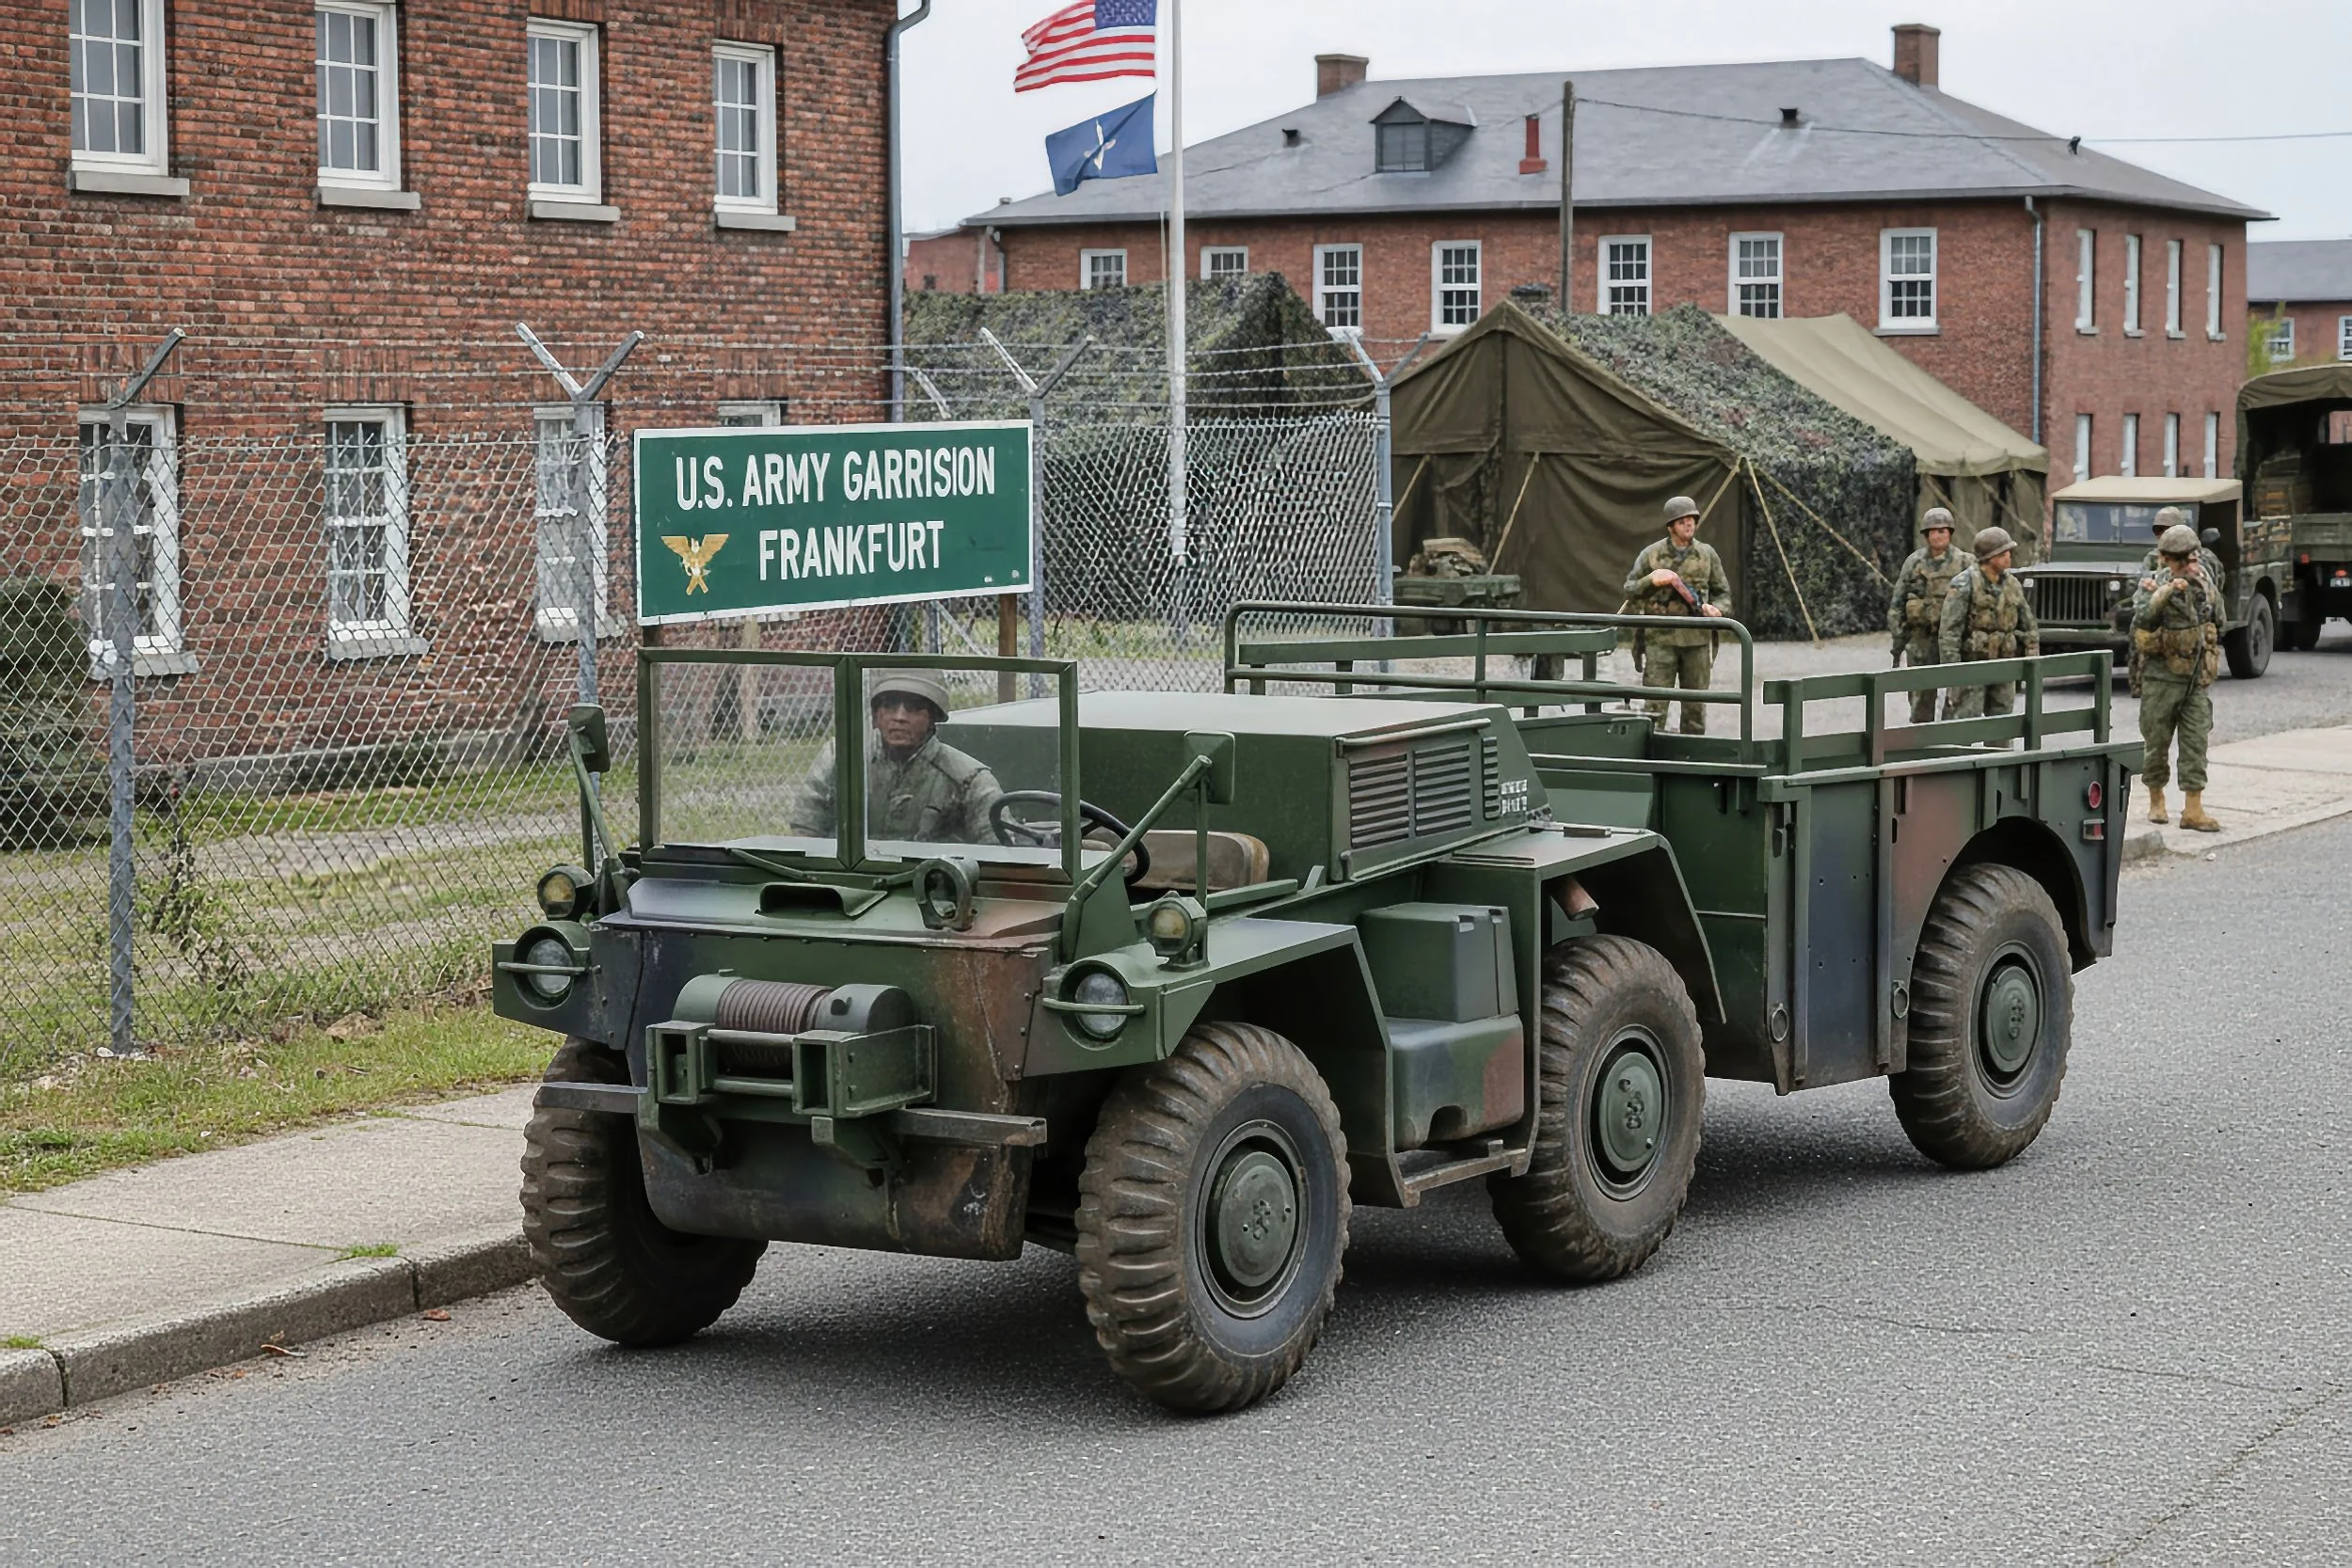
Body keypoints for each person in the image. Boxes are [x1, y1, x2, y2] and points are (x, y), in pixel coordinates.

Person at [790, 672, 1003, 844]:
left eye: (913, 708)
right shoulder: (841, 758)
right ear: (876, 716)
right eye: (889, 706)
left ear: (932, 719)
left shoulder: (967, 779)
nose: (900, 717)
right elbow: (805, 834)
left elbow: (997, 853)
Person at [2131, 523, 2223, 832]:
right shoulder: (2152, 585)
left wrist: (2204, 587)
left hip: (2196, 678)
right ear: (2167, 560)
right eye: (2181, 560)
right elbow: (2143, 619)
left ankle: (2193, 809)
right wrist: (2166, 591)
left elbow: (2219, 618)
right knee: (2156, 742)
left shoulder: (2204, 582)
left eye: (2192, 558)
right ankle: (2156, 800)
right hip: (2162, 678)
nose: (2188, 565)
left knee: (2196, 741)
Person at [1622, 494, 1732, 734]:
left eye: (1692, 520)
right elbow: (1630, 590)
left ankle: (1692, 754)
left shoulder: (1707, 554)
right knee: (1655, 708)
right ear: (1671, 526)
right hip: (1660, 641)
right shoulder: (1652, 554)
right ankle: (1652, 752)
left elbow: (1723, 593)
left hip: (1697, 641)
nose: (1689, 524)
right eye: (1682, 521)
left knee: (1695, 709)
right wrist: (1651, 580)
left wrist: (1718, 609)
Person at [1938, 524, 2040, 720]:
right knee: (1966, 719)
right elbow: (1949, 633)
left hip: (2004, 665)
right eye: (2002, 554)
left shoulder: (2012, 584)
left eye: (2008, 553)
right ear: (1988, 557)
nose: (2008, 557)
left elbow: (2028, 624)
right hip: (1972, 667)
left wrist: (2032, 657)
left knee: (2002, 720)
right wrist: (1952, 672)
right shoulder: (1964, 584)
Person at [1886, 506, 1967, 723]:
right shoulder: (1914, 562)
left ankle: (1952, 738)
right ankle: (1921, 737)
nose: (1937, 536)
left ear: (1950, 533)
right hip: (1921, 640)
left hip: (1954, 641)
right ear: (1926, 535)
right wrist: (1898, 640)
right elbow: (1897, 603)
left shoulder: (1964, 562)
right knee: (1920, 698)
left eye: (1942, 531)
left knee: (1956, 696)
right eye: (1932, 531)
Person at [2137, 505, 2224, 592]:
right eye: (2159, 529)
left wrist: (2163, 587)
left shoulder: (2202, 557)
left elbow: (2207, 587)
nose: (2163, 534)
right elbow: (2142, 583)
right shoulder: (2153, 557)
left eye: (2169, 529)